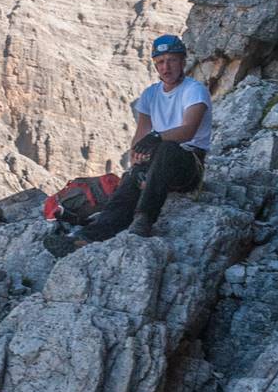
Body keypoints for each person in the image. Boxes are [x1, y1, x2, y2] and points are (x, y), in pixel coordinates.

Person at [74, 33, 211, 241]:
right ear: (155, 66)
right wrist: (137, 159)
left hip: (188, 165)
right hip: (156, 165)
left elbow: (188, 131)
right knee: (131, 178)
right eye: (160, 62)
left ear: (183, 61)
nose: (166, 67)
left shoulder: (194, 90)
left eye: (172, 60)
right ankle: (90, 235)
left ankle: (144, 219)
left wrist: (157, 137)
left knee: (168, 148)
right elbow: (141, 136)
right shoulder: (150, 94)